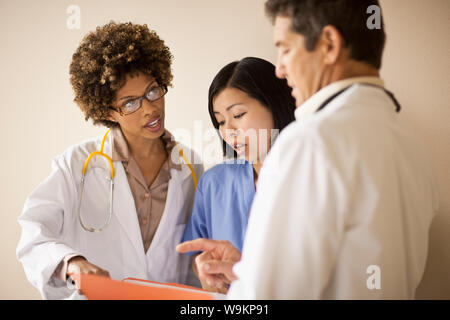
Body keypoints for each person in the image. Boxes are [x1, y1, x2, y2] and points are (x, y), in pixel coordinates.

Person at [179, 0, 439, 299]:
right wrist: (248, 270)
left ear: (329, 44)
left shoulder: (308, 143)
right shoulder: (411, 145)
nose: (280, 69)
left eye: (285, 49)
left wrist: (252, 282)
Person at [16, 22, 203, 299]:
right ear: (108, 110)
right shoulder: (77, 164)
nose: (150, 109)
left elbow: (193, 263)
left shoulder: (191, 166)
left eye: (153, 91)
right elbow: (33, 237)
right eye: (130, 102)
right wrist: (73, 263)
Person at [180, 57, 296, 293]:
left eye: (239, 115)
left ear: (274, 104)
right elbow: (196, 255)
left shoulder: (311, 178)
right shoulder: (213, 183)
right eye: (220, 121)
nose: (228, 131)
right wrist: (207, 273)